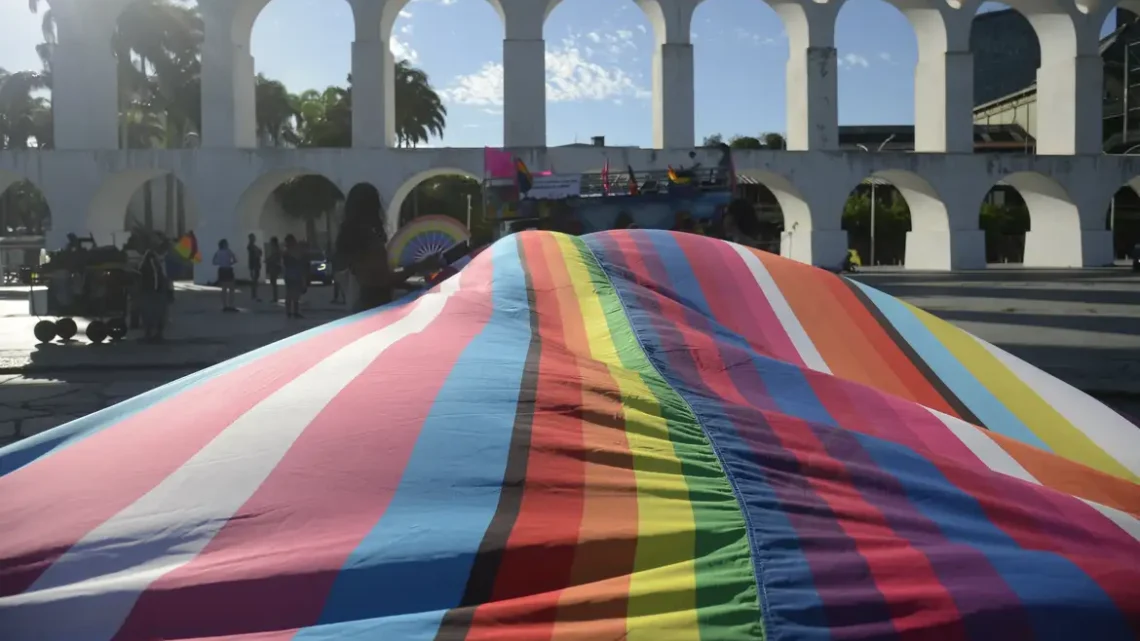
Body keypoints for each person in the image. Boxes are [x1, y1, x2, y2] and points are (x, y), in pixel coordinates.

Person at [335, 184, 440, 313]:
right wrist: (419, 266)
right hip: (374, 306)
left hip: (365, 303)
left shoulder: (353, 236)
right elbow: (382, 279)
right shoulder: (368, 238)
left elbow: (374, 278)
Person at [137, 240, 171, 342]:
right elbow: (158, 276)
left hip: (151, 291)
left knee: (150, 313)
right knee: (157, 313)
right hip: (155, 291)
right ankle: (155, 334)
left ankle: (151, 334)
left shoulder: (150, 259)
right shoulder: (155, 259)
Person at [282, 234, 307, 318]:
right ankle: (294, 312)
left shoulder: (286, 252)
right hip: (295, 274)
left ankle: (289, 312)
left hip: (289, 275)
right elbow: (300, 264)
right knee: (295, 294)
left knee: (290, 293)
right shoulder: (296, 252)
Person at [212, 238, 238, 312]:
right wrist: (230, 263)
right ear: (224, 244)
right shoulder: (228, 251)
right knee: (231, 288)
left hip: (221, 270)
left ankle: (224, 305)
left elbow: (213, 262)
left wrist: (220, 263)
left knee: (224, 289)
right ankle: (231, 305)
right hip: (228, 270)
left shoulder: (218, 252)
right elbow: (235, 260)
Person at [265, 237, 282, 302]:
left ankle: (275, 298)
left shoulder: (276, 249)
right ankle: (275, 297)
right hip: (274, 266)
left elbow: (274, 257)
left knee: (273, 282)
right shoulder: (275, 249)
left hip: (274, 266)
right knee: (273, 282)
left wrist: (268, 260)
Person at [247, 233, 263, 302]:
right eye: (252, 238)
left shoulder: (253, 246)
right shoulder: (250, 246)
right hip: (253, 265)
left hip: (256, 264)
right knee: (254, 280)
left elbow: (259, 253)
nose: (254, 239)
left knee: (255, 280)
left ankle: (255, 295)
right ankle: (254, 295)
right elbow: (256, 254)